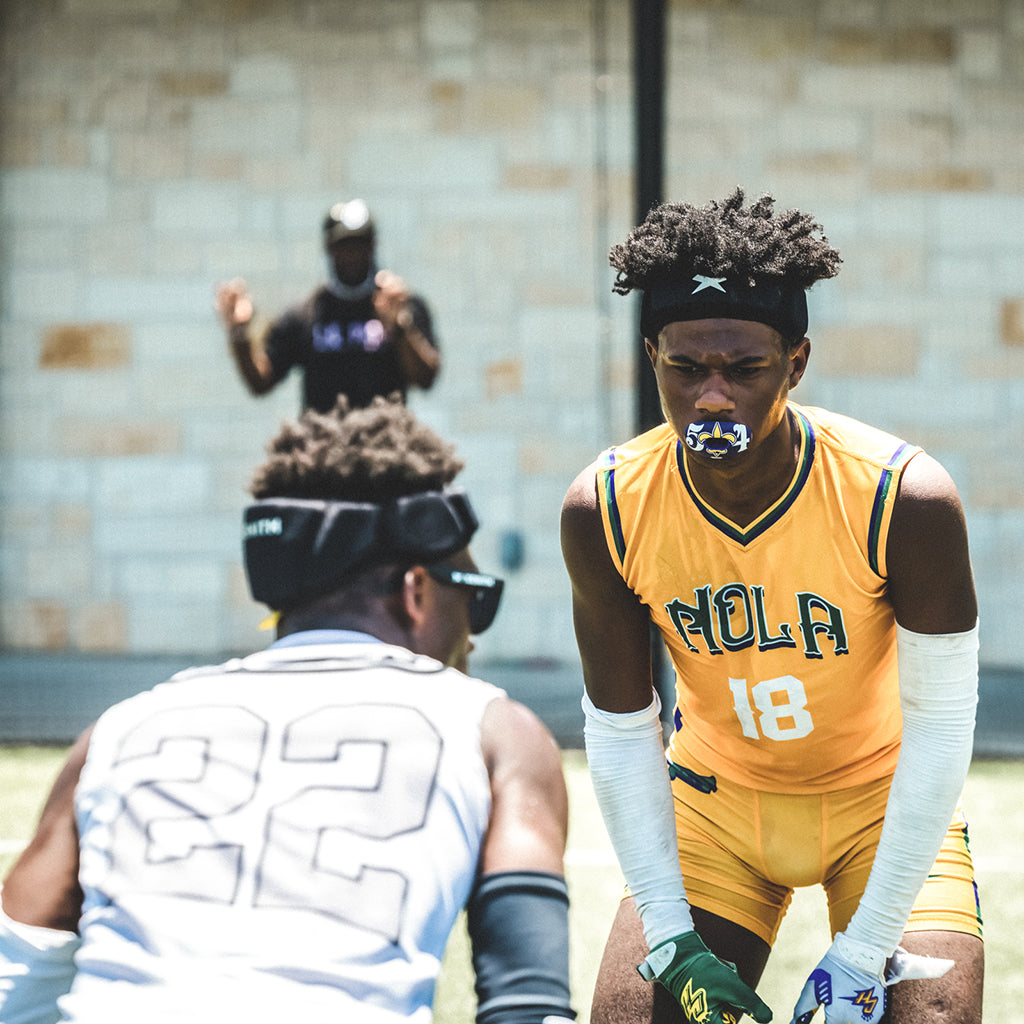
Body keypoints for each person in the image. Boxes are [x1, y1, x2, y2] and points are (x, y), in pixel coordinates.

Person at [0, 395, 576, 1024]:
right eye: (474, 598)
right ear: (416, 592)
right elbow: (528, 1005)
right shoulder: (497, 731)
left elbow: (19, 977)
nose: (476, 633)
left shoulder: (117, 730)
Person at [561, 189, 982, 1024]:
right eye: (685, 369)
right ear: (651, 357)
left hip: (883, 799)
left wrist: (865, 951)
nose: (712, 398)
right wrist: (673, 938)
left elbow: (942, 725)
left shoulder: (903, 496)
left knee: (928, 1016)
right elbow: (617, 729)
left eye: (745, 370)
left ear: (796, 363)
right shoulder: (605, 504)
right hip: (717, 805)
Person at [215, 199, 441, 412]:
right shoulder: (304, 314)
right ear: (329, 249)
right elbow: (261, 383)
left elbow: (426, 379)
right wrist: (239, 335)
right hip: (322, 447)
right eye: (343, 246)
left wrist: (400, 327)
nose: (352, 255)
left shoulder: (402, 306)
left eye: (359, 244)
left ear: (372, 246)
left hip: (388, 446)